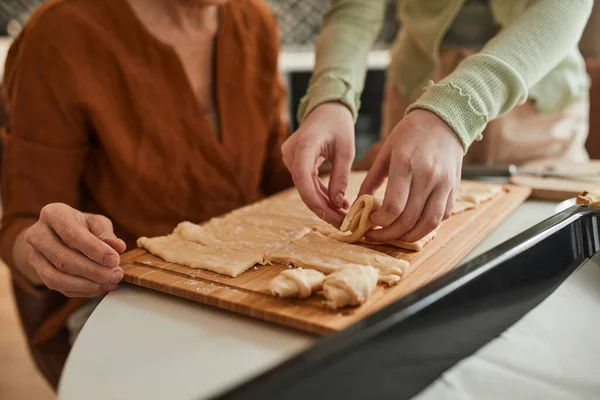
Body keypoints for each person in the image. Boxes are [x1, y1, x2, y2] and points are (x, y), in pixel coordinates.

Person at [1, 0, 291, 388]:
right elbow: (23, 224)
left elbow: (275, 171)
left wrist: (346, 175)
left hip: (252, 282)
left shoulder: (255, 22)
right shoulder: (61, 33)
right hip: (121, 297)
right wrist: (51, 248)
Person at [282, 0, 593, 244]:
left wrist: (455, 108)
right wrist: (331, 96)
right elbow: (355, 7)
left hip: (537, 95)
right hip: (418, 95)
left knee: (545, 242)